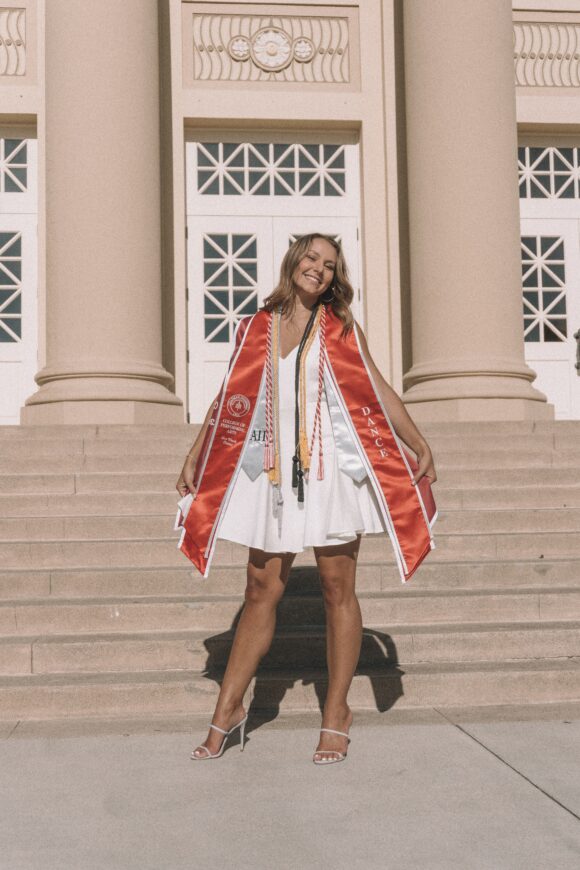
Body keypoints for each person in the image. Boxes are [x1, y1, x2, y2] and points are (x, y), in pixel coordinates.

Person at [175, 233, 437, 764]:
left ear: (335, 277)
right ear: (294, 260)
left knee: (337, 586)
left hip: (329, 474)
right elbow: (230, 397)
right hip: (270, 475)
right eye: (312, 258)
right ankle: (228, 709)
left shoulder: (339, 328)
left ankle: (336, 712)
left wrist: (417, 441)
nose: (318, 268)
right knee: (259, 588)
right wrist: (196, 453)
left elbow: (379, 387)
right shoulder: (255, 326)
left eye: (329, 264)